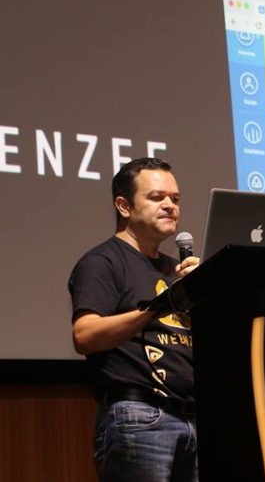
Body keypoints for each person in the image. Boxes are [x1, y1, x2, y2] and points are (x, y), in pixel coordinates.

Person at [69, 157, 200, 482]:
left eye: (175, 199)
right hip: (140, 418)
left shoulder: (175, 270)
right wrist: (157, 307)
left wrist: (209, 291)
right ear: (124, 206)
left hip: (193, 418)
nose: (170, 206)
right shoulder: (103, 262)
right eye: (157, 197)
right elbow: (84, 335)